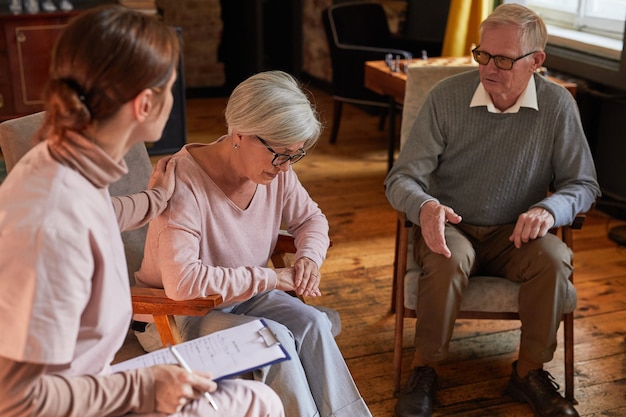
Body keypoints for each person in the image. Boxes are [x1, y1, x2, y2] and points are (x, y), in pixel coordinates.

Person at [0, 5, 284, 417]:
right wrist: (142, 387)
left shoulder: (63, 163)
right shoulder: (53, 221)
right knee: (257, 405)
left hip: (96, 384)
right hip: (80, 402)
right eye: (170, 87)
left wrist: (152, 201)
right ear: (145, 104)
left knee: (255, 399)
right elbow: (18, 399)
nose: (174, 98)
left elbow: (96, 215)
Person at [384, 4, 600, 417]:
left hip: (515, 235)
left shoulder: (557, 107)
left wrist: (551, 209)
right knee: (449, 258)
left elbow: (583, 184)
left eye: (503, 59)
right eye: (481, 54)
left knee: (555, 259)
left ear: (536, 61)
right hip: (453, 225)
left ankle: (529, 373)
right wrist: (425, 205)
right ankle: (424, 369)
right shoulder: (445, 98)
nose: (489, 67)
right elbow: (401, 179)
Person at [133, 70, 373, 417]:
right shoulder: (182, 184)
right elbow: (183, 284)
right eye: (281, 154)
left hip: (244, 298)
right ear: (241, 134)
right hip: (175, 315)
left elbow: (311, 219)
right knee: (273, 341)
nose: (286, 167)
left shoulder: (276, 170)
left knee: (314, 324)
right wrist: (272, 278)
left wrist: (308, 257)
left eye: (296, 155)